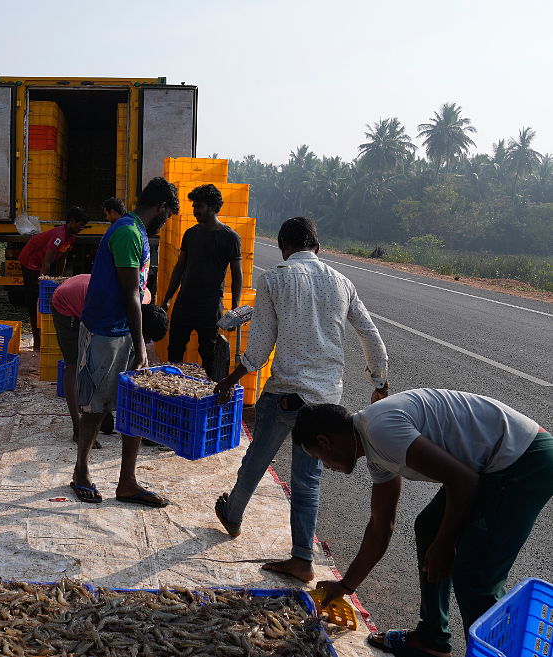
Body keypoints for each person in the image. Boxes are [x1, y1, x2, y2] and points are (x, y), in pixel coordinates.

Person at [293, 391, 553, 657]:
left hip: (523, 460)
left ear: (325, 442)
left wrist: (445, 544)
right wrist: (346, 586)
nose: (324, 466)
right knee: (429, 528)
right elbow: (381, 526)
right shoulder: (373, 448)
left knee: (475, 578)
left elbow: (463, 483)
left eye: (318, 458)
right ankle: (432, 637)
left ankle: (496, 652)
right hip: (494, 464)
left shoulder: (381, 431)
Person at [212, 216, 389, 582]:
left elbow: (259, 349)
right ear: (317, 247)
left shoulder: (274, 278)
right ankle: (302, 558)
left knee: (257, 459)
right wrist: (380, 382)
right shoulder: (342, 283)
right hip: (325, 403)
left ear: (284, 247)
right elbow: (370, 335)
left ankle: (232, 515)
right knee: (308, 480)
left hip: (284, 396)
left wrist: (230, 379)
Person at [71, 176, 178, 506]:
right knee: (96, 409)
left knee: (133, 407)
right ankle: (81, 473)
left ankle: (127, 482)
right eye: (168, 214)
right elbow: (131, 293)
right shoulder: (128, 232)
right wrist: (141, 344)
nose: (166, 220)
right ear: (160, 208)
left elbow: (137, 290)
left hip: (125, 331)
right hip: (107, 332)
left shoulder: (137, 231)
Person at [51, 274, 155, 444]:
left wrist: (107, 413)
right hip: (67, 302)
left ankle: (97, 416)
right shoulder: (120, 307)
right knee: (73, 364)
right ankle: (79, 429)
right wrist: (103, 413)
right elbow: (106, 358)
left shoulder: (145, 297)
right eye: (146, 338)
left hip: (87, 294)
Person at [160, 184, 243, 380]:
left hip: (210, 308)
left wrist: (235, 310)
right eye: (194, 206)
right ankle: (176, 395)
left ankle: (207, 399)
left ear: (213, 208)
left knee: (209, 357)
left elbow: (237, 274)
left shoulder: (230, 238)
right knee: (174, 354)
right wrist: (168, 299)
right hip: (184, 305)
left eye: (199, 206)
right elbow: (179, 268)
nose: (195, 211)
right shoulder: (190, 234)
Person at [19, 206, 89, 350]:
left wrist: (59, 280)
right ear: (72, 221)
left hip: (42, 262)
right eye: (80, 225)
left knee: (47, 299)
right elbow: (47, 263)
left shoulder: (72, 237)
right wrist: (42, 282)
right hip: (31, 260)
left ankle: (44, 337)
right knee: (34, 300)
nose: (81, 228)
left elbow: (62, 258)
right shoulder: (59, 235)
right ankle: (37, 342)